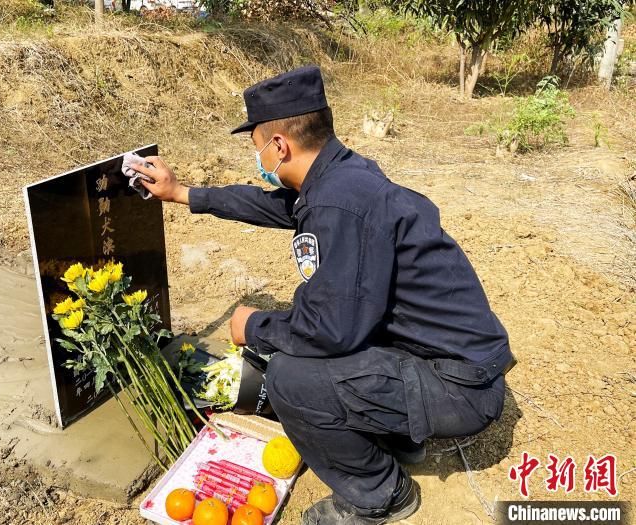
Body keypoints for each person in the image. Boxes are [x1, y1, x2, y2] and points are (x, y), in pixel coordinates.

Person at [132, 65, 515, 525]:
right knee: (320, 337)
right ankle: (398, 437)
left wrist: (252, 325)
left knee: (292, 376)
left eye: (257, 148)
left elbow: (331, 331)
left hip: (460, 390)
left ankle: (381, 495)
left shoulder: (339, 204)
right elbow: (274, 205)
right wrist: (183, 193)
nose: (258, 160)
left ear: (279, 146)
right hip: (452, 364)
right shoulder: (343, 175)